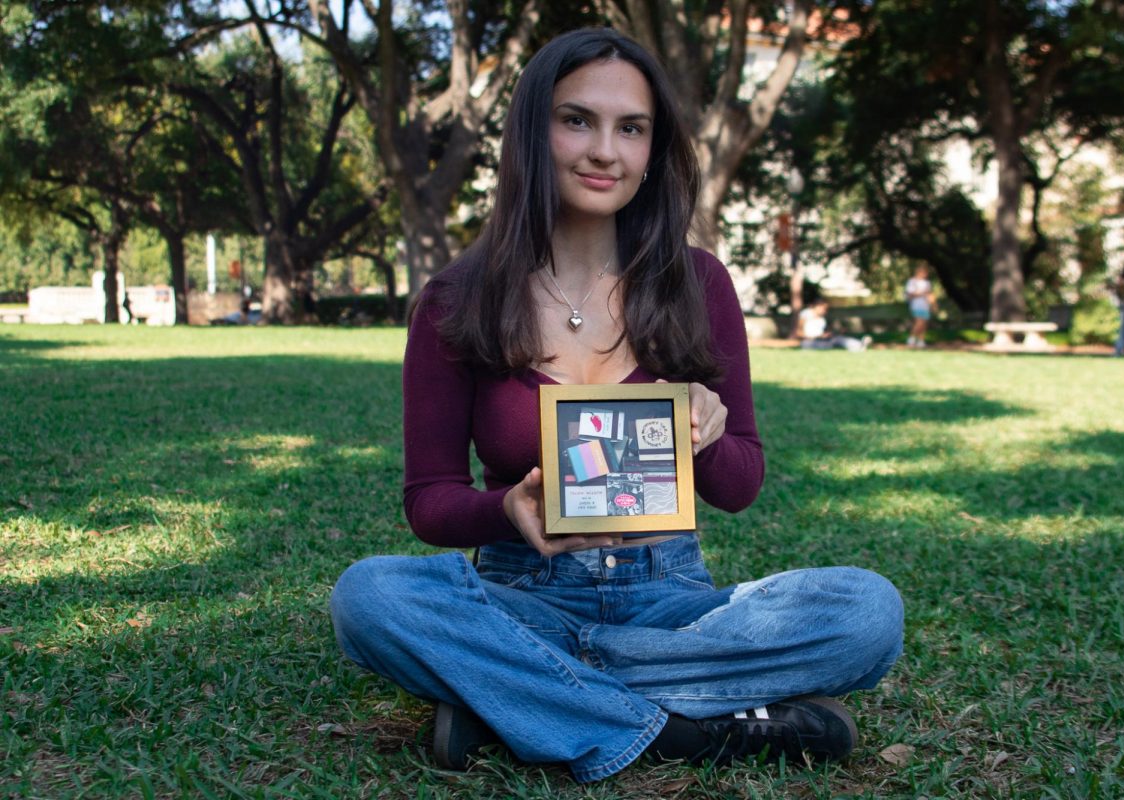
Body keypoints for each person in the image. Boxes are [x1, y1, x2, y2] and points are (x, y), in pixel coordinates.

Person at [328, 28, 903, 783]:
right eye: (577, 120)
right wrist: (505, 510)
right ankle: (689, 728)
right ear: (533, 132)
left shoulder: (699, 285)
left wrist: (707, 430)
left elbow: (741, 485)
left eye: (630, 128)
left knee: (867, 611)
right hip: (523, 596)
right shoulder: (455, 300)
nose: (605, 150)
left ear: (652, 149)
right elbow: (430, 501)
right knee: (368, 597)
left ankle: (516, 694)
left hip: (673, 602)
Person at [795, 300, 871, 352]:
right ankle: (856, 347)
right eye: (824, 308)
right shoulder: (806, 314)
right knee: (833, 343)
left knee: (838, 338)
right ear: (817, 306)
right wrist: (816, 337)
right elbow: (799, 333)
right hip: (810, 342)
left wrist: (833, 333)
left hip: (822, 340)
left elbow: (823, 332)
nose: (825, 311)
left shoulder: (822, 319)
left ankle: (859, 345)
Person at [905, 265, 936, 348]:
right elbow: (910, 294)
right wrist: (922, 293)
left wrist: (933, 305)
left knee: (924, 324)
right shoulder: (912, 282)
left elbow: (929, 294)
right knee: (919, 322)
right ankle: (911, 339)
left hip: (925, 306)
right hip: (916, 305)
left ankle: (921, 341)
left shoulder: (927, 283)